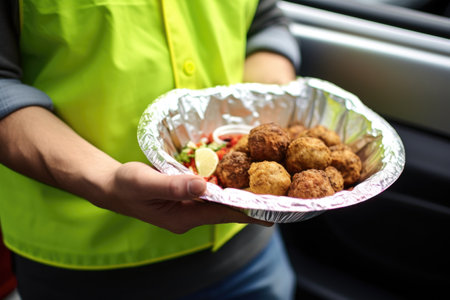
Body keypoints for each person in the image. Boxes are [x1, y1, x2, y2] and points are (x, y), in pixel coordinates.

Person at [0, 0, 300, 299]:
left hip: (249, 247)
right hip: (86, 267)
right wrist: (104, 179)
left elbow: (264, 21)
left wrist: (268, 111)